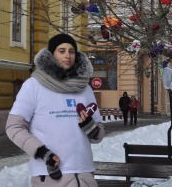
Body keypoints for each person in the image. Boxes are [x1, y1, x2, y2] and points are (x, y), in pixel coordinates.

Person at [6, 33, 105, 187]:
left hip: (85, 175)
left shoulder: (85, 88)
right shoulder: (33, 86)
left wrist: (91, 127)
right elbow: (14, 127)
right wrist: (41, 152)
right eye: (61, 51)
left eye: (71, 51)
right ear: (51, 55)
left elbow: (98, 133)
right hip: (51, 175)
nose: (68, 55)